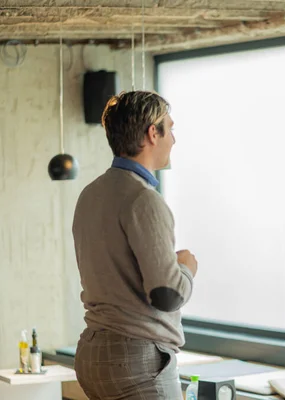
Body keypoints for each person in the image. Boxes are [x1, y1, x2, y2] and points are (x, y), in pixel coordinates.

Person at [72, 91, 197, 399]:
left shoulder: (90, 194)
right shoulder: (144, 199)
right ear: (152, 133)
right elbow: (166, 294)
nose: (174, 140)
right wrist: (186, 267)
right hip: (137, 359)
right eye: (170, 128)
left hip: (94, 352)